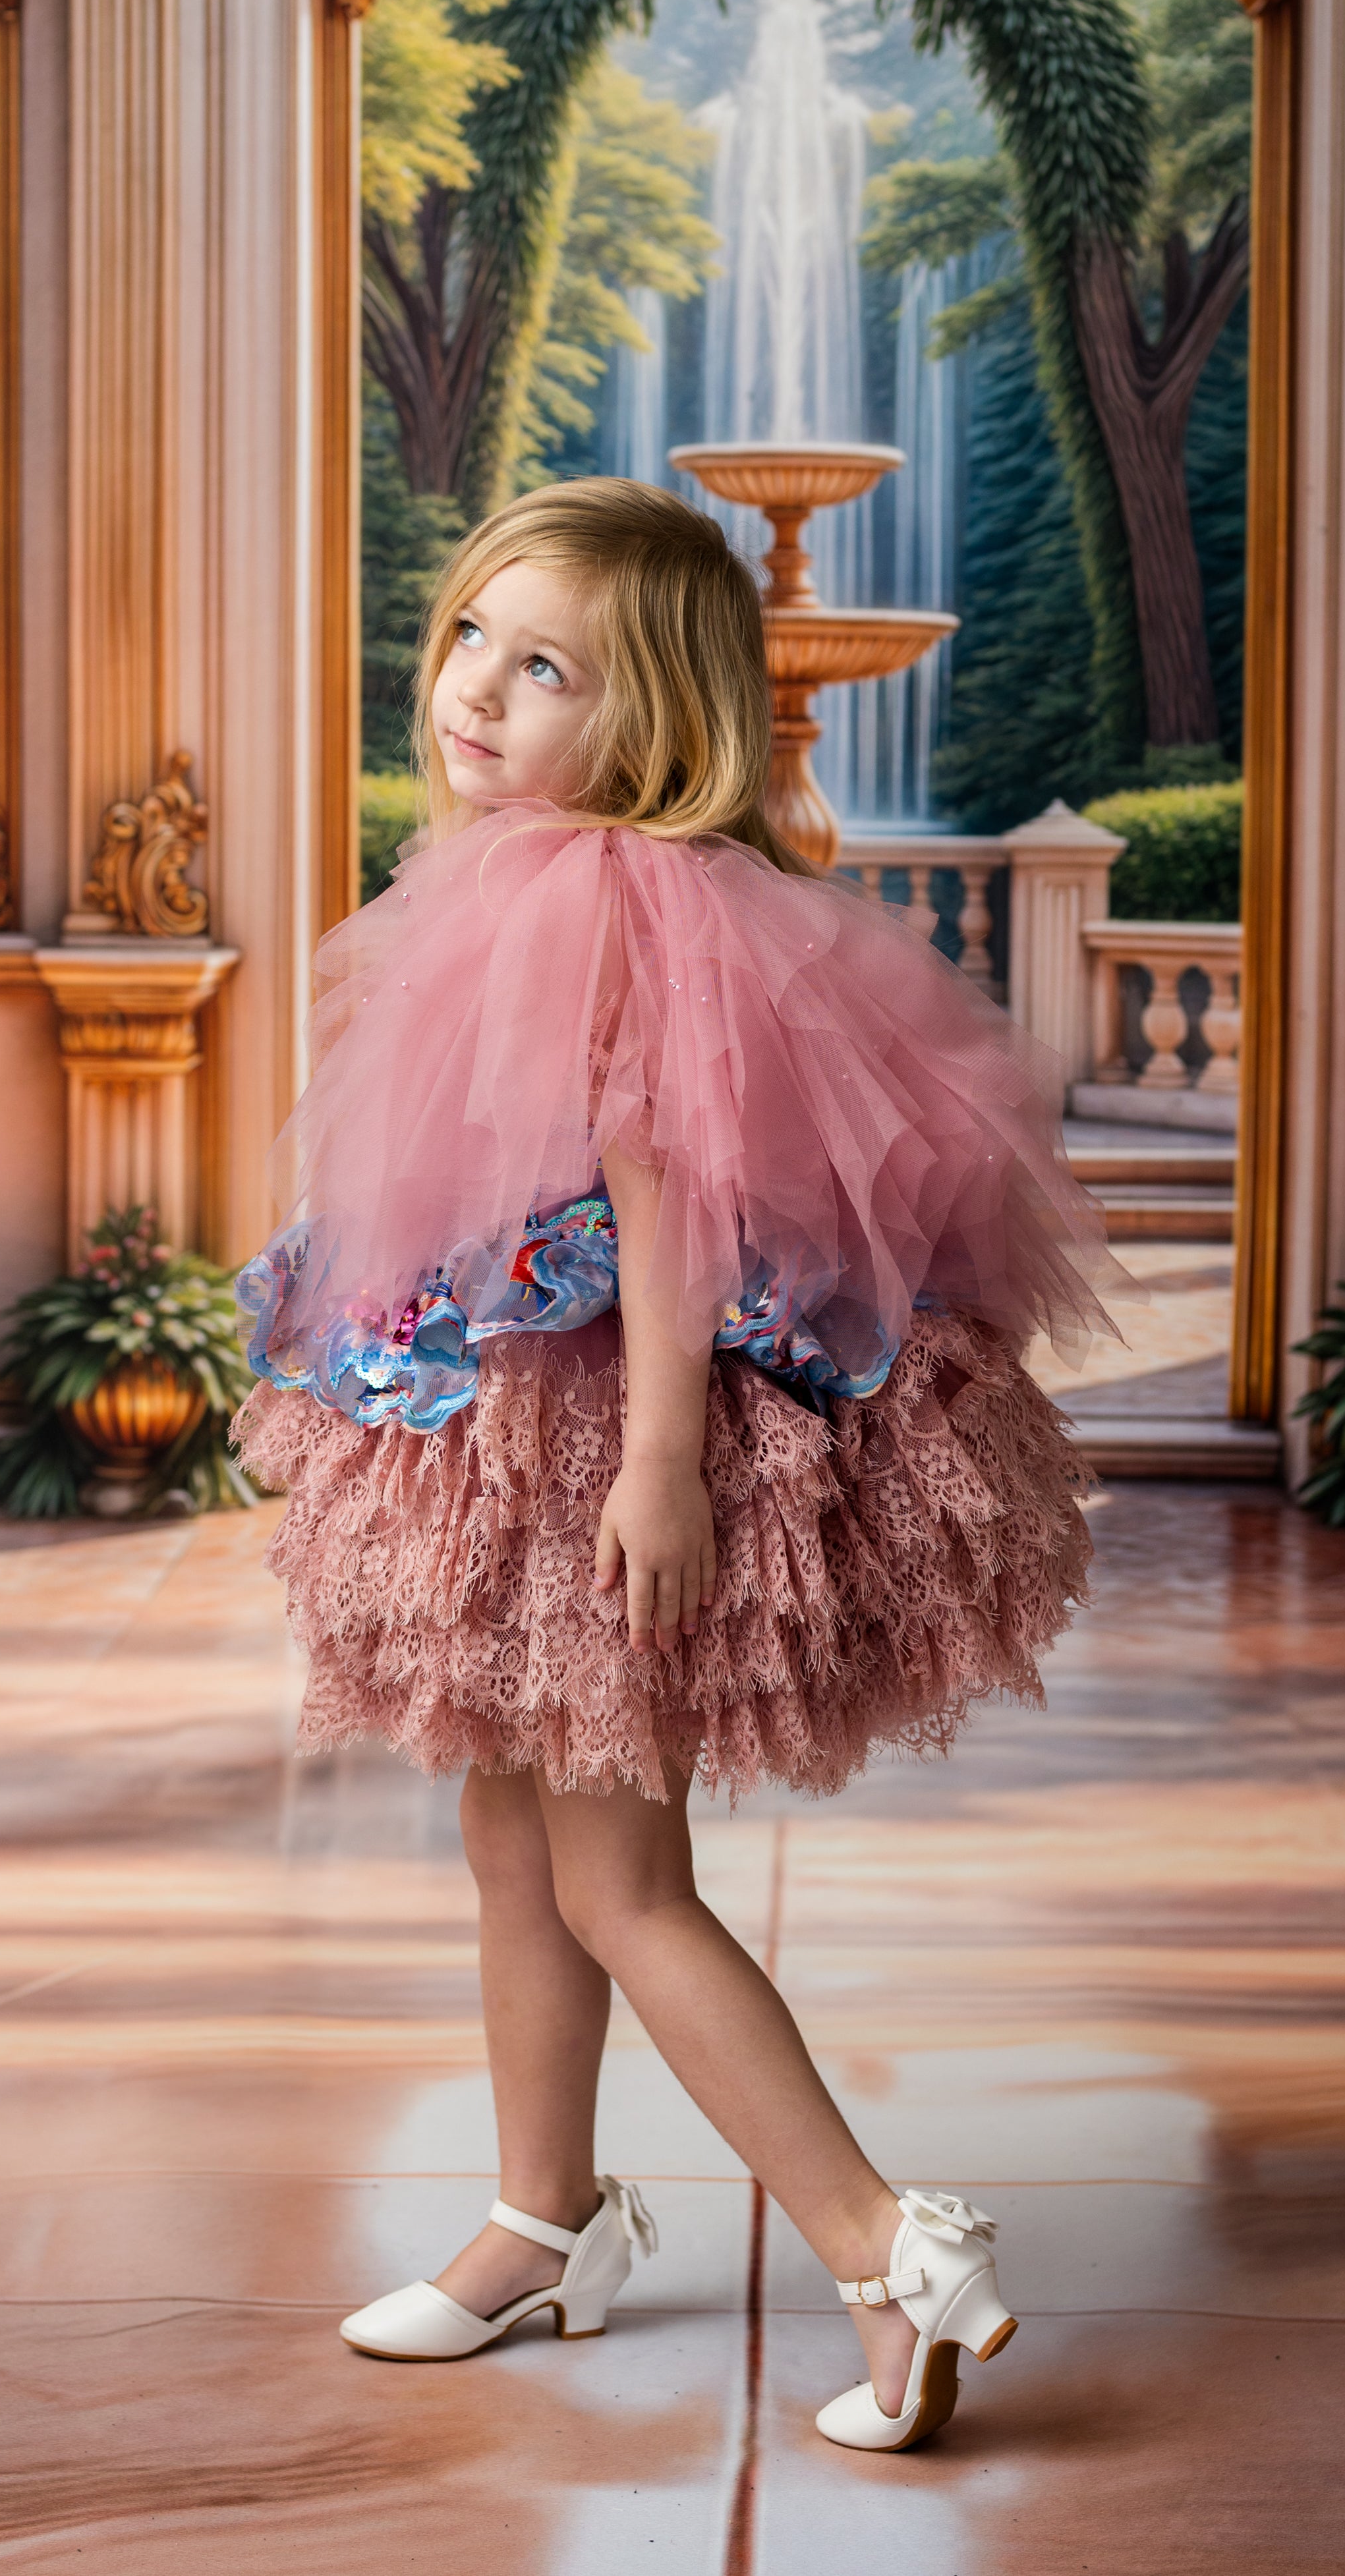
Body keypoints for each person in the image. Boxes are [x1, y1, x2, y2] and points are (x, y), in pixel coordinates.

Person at [236, 479, 1116, 2453]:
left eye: (545, 672)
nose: (477, 691)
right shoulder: (493, 877)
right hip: (503, 1413)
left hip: (602, 1430)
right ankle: (544, 2218)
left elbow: (674, 1191)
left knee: (619, 1873)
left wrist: (661, 1467)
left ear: (649, 726)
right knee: (506, 1833)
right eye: (473, 635)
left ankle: (887, 2245)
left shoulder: (621, 904)